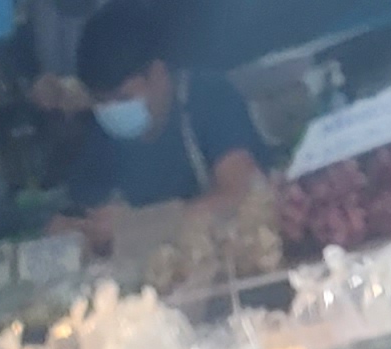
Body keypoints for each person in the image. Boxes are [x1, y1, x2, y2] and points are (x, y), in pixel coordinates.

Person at [66, 0, 270, 214]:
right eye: (100, 100)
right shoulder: (103, 134)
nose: (112, 110)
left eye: (123, 98)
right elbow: (83, 207)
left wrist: (140, 223)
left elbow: (243, 193)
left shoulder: (210, 99)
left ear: (158, 73)